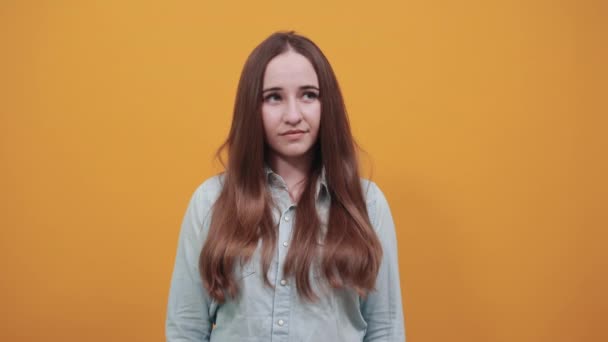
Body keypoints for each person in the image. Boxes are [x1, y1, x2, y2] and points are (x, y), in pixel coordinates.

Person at [166, 31, 405, 341]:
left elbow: (385, 329)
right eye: (274, 97)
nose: (293, 115)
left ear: (326, 103)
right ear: (252, 108)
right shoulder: (211, 201)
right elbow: (186, 330)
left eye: (308, 94)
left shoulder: (368, 204)